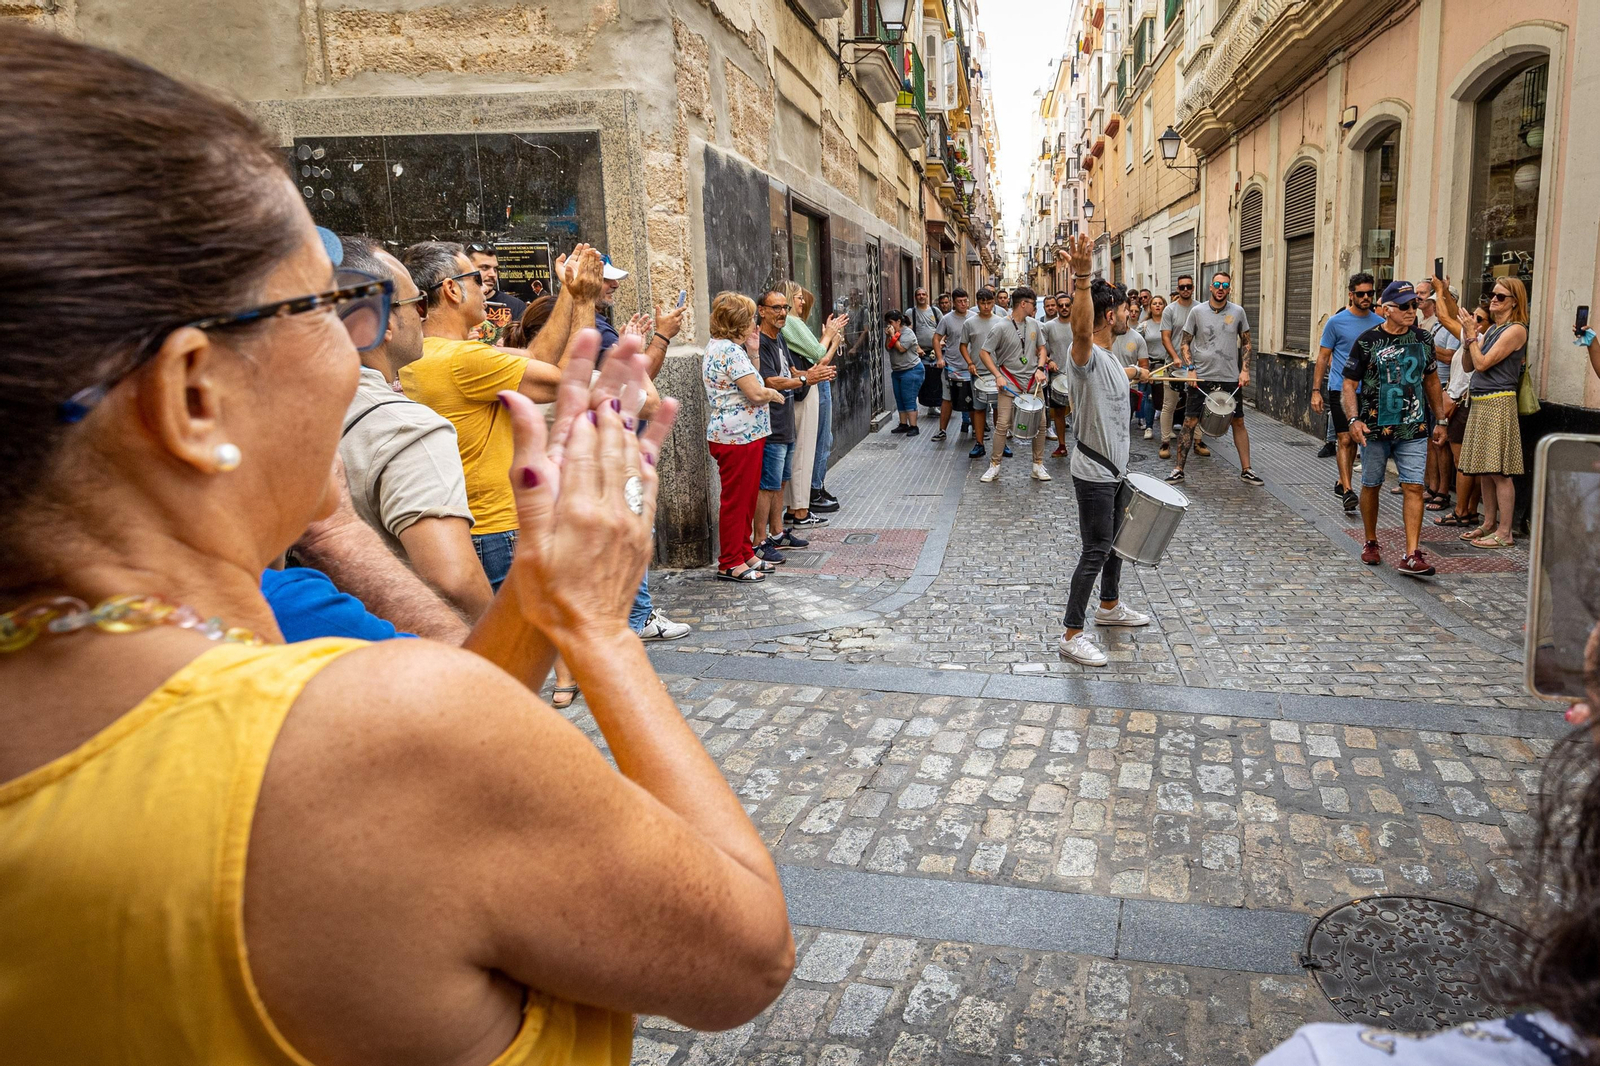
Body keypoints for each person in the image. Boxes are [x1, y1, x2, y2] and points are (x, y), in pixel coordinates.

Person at [0, 26, 795, 1065]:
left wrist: (540, 600)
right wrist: (599, 633)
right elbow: (746, 955)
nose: (367, 348)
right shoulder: (370, 739)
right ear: (195, 395)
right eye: (332, 308)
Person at [333, 237, 492, 621]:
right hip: (407, 653)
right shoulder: (408, 429)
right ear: (381, 322)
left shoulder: (283, 412)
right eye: (417, 303)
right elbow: (454, 580)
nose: (424, 317)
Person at [399, 240, 573, 589]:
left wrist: (567, 290)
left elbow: (537, 356)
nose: (486, 287)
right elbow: (566, 380)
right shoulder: (464, 360)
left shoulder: (424, 353)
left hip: (467, 526)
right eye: (477, 278)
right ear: (450, 289)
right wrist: (580, 299)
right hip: (495, 531)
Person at [1053, 239, 1154, 667]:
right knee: (1096, 548)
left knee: (1115, 545)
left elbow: (1124, 372)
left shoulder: (1111, 359)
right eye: (1124, 311)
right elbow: (1080, 331)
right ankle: (1072, 633)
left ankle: (1109, 608)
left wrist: (1141, 371)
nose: (1130, 314)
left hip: (1116, 471)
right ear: (1108, 315)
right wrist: (1080, 279)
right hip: (1094, 471)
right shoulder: (1086, 354)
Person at [1342, 281, 1449, 577]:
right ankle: (1371, 541)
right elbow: (1349, 384)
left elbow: (1431, 380)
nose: (1411, 311)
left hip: (1413, 427)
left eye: (1414, 305)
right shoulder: (1367, 341)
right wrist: (1353, 420)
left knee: (1413, 486)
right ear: (1386, 309)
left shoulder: (1423, 339)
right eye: (1404, 307)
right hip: (1375, 427)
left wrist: (1440, 420)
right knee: (1372, 484)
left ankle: (1412, 553)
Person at [704, 292, 784, 582]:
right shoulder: (727, 351)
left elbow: (750, 377)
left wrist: (752, 350)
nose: (754, 321)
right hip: (737, 436)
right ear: (737, 321)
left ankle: (744, 551)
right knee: (737, 501)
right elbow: (754, 391)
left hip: (744, 434)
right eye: (750, 317)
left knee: (747, 497)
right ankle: (729, 562)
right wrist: (772, 394)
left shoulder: (726, 348)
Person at [755, 289, 835, 563]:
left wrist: (813, 374)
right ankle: (760, 540)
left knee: (781, 480)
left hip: (785, 418)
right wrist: (806, 380)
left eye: (784, 308)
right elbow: (770, 380)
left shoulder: (780, 340)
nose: (781, 313)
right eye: (775, 308)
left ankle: (777, 532)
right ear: (761, 310)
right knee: (768, 483)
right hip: (771, 422)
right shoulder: (760, 342)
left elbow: (790, 372)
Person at [1457, 278, 1530, 549]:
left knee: (1500, 471)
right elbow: (1468, 365)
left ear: (1514, 301)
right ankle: (1489, 524)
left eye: (1500, 297)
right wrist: (1468, 339)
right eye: (1492, 295)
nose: (1494, 300)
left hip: (1498, 402)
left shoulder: (1516, 331)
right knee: (1484, 470)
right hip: (1481, 401)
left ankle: (1505, 532)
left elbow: (1483, 363)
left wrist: (1473, 336)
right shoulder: (1493, 330)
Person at [1168, 272, 1260, 485]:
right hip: (1201, 377)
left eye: (1225, 285)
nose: (1220, 288)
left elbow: (1246, 342)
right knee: (1190, 421)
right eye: (1217, 284)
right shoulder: (1197, 312)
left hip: (1229, 377)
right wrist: (1191, 369)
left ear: (1229, 289)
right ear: (1210, 287)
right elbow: (1184, 343)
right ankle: (1178, 469)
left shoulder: (1238, 312)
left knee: (1238, 421)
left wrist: (1245, 370)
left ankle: (1247, 469)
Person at [1311, 273, 1379, 513]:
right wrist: (1316, 390)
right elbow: (1322, 357)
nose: (1366, 298)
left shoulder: (1380, 322)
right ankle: (1349, 490)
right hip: (1340, 388)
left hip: (1370, 391)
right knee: (1346, 438)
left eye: (1370, 293)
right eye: (1361, 294)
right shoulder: (1336, 322)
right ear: (1351, 295)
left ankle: (1342, 480)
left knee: (1361, 440)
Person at [782, 282, 845, 526]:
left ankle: (801, 504)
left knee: (813, 443)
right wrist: (831, 337)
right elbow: (820, 356)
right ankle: (803, 504)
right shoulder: (791, 323)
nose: (802, 302)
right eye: (798, 297)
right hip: (804, 386)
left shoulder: (793, 323)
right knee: (807, 446)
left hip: (806, 383)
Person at [978, 286, 1050, 483]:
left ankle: (1038, 465)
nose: (1035, 308)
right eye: (1033, 304)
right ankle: (994, 466)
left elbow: (1042, 349)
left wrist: (1040, 368)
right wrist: (997, 375)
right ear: (1023, 304)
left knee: (1041, 424)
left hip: (1033, 383)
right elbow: (984, 353)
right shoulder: (1001, 327)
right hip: (1010, 382)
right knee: (1002, 424)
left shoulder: (1034, 325)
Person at [1437, 301, 1488, 529]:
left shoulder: (1482, 341)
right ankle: (1469, 511)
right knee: (1468, 463)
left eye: (1479, 319)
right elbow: (1445, 316)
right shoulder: (1469, 339)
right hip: (1459, 401)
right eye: (1472, 317)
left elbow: (1445, 318)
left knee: (1463, 463)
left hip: (1465, 403)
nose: (1473, 322)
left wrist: (1440, 291)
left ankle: (1462, 511)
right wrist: (1441, 291)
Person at [1417, 279, 1462, 514]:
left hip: (1445, 386)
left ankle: (1444, 491)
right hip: (1429, 384)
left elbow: (1452, 356)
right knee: (1430, 440)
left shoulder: (1455, 327)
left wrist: (1426, 347)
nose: (1435, 306)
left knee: (1441, 442)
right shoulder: (1435, 325)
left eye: (1439, 301)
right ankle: (1432, 486)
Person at [1160, 274, 1203, 460]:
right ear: (1177, 289)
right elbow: (1165, 336)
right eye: (1182, 287)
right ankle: (1164, 442)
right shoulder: (1169, 310)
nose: (1185, 290)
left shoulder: (1201, 308)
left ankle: (1198, 442)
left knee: (1198, 404)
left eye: (1188, 287)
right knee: (1169, 404)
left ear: (1193, 288)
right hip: (1174, 364)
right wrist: (1175, 357)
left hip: (1197, 366)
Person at [960, 288, 1005, 459]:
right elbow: (963, 345)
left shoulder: (1001, 322)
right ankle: (979, 444)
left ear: (993, 302)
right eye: (982, 303)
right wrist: (969, 363)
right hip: (977, 372)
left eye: (989, 303)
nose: (986, 306)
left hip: (998, 373)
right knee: (978, 410)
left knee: (999, 410)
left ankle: (1001, 444)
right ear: (977, 303)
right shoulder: (969, 323)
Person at [931, 287, 974, 442]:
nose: (963, 304)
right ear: (954, 303)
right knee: (947, 399)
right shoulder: (947, 319)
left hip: (971, 367)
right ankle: (942, 430)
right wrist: (939, 358)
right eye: (959, 302)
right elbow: (936, 339)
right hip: (952, 366)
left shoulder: (974, 318)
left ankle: (977, 430)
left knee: (974, 399)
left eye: (965, 301)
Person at [466, 242, 527, 344]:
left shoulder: (516, 305)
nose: (493, 274)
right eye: (485, 268)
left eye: (495, 269)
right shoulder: (454, 306)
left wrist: (511, 345)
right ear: (466, 269)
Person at [1041, 290, 1075, 456]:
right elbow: (1039, 350)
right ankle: (1062, 445)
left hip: (1079, 376)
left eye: (1067, 305)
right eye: (1060, 305)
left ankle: (1084, 448)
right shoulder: (1048, 327)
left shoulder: (1080, 324)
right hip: (1057, 377)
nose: (1063, 308)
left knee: (1082, 414)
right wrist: (1049, 361)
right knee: (1059, 413)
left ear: (1072, 306)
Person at [887, 309, 924, 437]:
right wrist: (890, 336)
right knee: (900, 398)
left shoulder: (908, 333)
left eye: (891, 322)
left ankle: (914, 426)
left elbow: (902, 348)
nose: (889, 325)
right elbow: (888, 347)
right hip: (897, 371)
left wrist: (893, 336)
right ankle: (903, 424)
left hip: (911, 370)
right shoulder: (893, 333)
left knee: (909, 398)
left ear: (898, 321)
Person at [1140, 294, 1170, 444]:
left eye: (1160, 303)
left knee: (1167, 398)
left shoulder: (1169, 323)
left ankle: (1167, 429)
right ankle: (1149, 427)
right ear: (1150, 307)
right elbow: (1137, 343)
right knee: (1149, 396)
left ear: (1165, 306)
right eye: (1155, 303)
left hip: (1166, 364)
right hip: (1151, 365)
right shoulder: (1144, 325)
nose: (1157, 306)